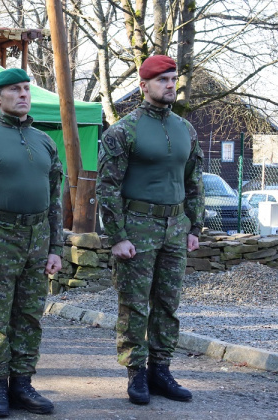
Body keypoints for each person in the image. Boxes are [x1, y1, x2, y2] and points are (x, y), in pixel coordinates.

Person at [96, 55, 204, 406]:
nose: (170, 85)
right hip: (136, 227)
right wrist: (117, 236)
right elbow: (107, 187)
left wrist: (194, 224)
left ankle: (161, 370)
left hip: (175, 227)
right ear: (144, 86)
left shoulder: (185, 129)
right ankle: (136, 373)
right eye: (162, 80)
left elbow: (194, 181)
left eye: (173, 79)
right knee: (134, 305)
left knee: (168, 304)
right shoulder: (124, 131)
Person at [0, 68, 63, 417]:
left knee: (30, 315)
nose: (23, 95)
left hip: (38, 238)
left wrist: (56, 248)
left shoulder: (45, 141)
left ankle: (22, 383)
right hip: (0, 236)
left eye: (26, 89)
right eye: (14, 90)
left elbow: (55, 199)